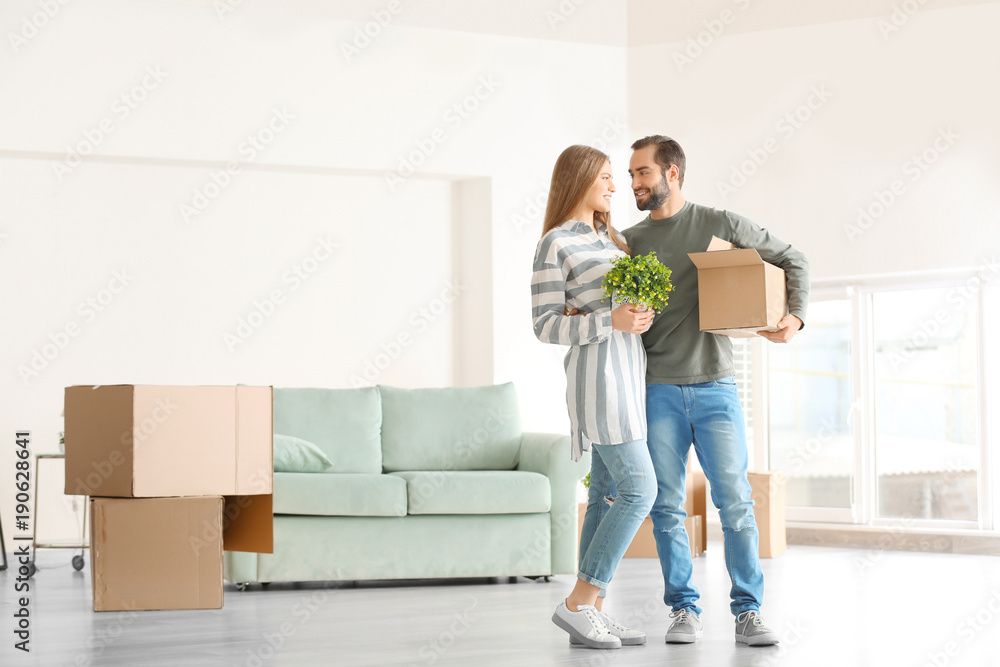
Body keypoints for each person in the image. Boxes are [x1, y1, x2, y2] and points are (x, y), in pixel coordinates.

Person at [623, 135, 810, 647]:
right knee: (666, 506)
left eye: (642, 173)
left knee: (736, 504)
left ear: (672, 174)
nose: (634, 183)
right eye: (632, 174)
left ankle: (748, 613)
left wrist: (794, 317)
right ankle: (683, 610)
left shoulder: (719, 223)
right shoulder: (629, 241)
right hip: (656, 388)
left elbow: (794, 258)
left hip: (716, 388)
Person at [531, 144, 657, 650]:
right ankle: (579, 602)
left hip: (630, 377)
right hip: (598, 384)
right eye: (606, 176)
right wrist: (611, 320)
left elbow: (620, 314)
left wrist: (637, 317)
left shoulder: (614, 241)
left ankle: (594, 615)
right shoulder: (555, 244)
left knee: (606, 497)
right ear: (579, 179)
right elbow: (543, 325)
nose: (614, 185)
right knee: (639, 490)